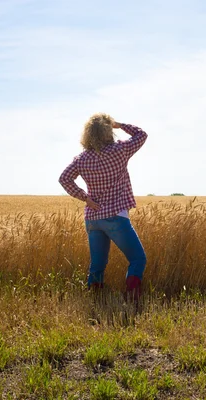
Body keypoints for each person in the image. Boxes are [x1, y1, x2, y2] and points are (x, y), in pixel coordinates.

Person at [59, 113, 148, 302]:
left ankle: (95, 298)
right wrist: (120, 125)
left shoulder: (81, 159)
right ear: (108, 132)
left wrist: (85, 198)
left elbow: (64, 179)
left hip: (93, 218)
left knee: (97, 264)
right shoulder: (120, 150)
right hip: (116, 216)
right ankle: (132, 298)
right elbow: (142, 134)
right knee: (138, 259)